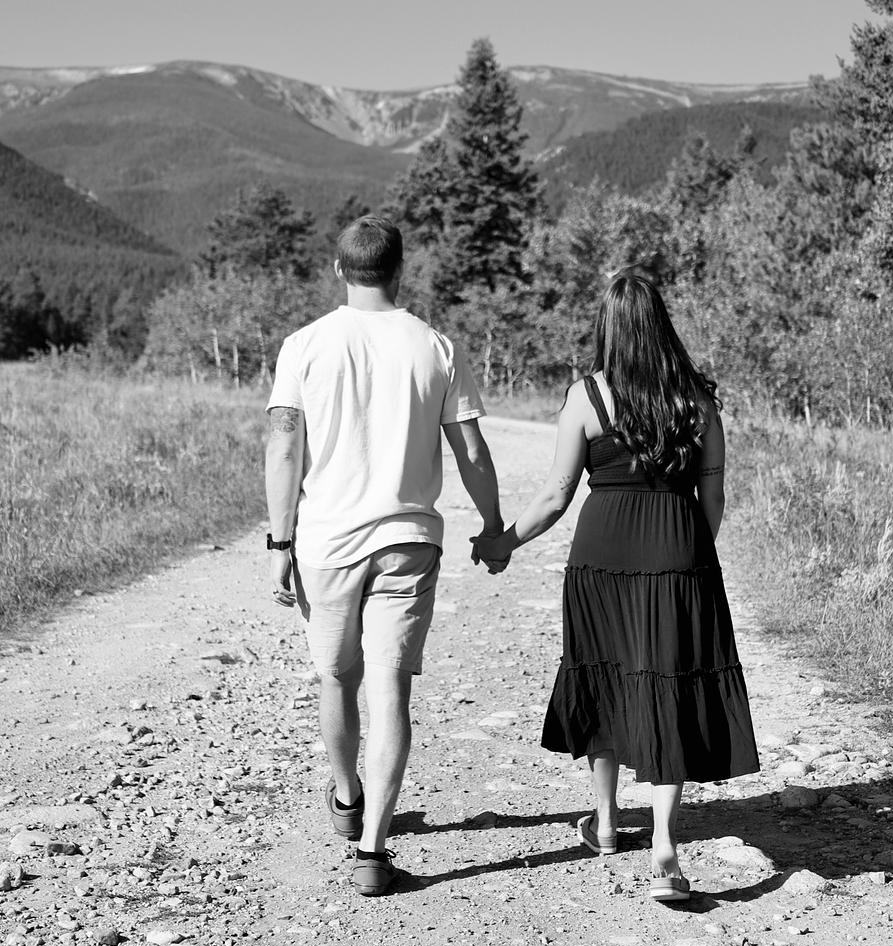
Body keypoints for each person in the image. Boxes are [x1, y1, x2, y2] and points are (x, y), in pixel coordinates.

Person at [474, 271, 758, 901]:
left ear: (607, 328)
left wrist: (502, 543)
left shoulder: (586, 397)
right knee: (669, 685)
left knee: (604, 675)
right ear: (661, 327)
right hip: (678, 553)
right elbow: (713, 500)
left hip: (600, 555)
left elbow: (555, 496)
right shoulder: (697, 401)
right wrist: (687, 554)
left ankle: (604, 823)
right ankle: (664, 848)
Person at [265, 215, 505, 897]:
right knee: (390, 689)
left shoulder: (304, 346)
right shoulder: (436, 346)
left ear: (339, 269)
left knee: (335, 680)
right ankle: (373, 849)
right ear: (401, 269)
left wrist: (279, 542)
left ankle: (347, 796)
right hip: (407, 541)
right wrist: (493, 526)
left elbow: (284, 446)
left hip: (326, 543)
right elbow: (472, 451)